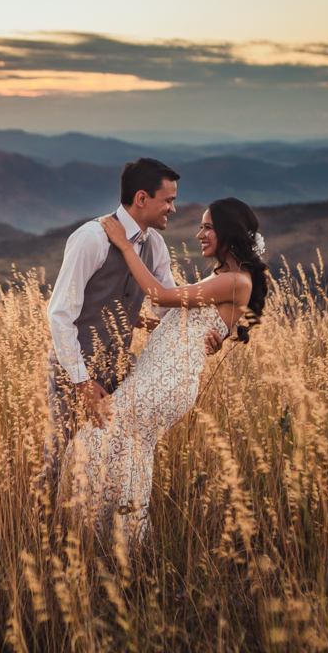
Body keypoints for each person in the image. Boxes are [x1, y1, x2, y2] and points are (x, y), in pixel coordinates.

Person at [61, 197, 269, 542]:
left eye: (208, 227)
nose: (200, 233)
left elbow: (160, 295)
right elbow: (182, 325)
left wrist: (125, 246)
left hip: (163, 383)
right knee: (128, 454)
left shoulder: (235, 281)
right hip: (163, 380)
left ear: (229, 234)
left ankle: (93, 537)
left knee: (90, 444)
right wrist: (132, 320)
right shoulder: (225, 279)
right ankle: (125, 543)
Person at [40, 158, 222, 497]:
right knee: (58, 457)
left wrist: (200, 336)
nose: (174, 208)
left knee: (112, 455)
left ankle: (99, 535)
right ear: (142, 198)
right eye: (167, 200)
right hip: (72, 369)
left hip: (121, 369)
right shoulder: (91, 238)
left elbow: (166, 307)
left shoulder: (154, 245)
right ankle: (43, 535)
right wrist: (82, 382)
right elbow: (60, 314)